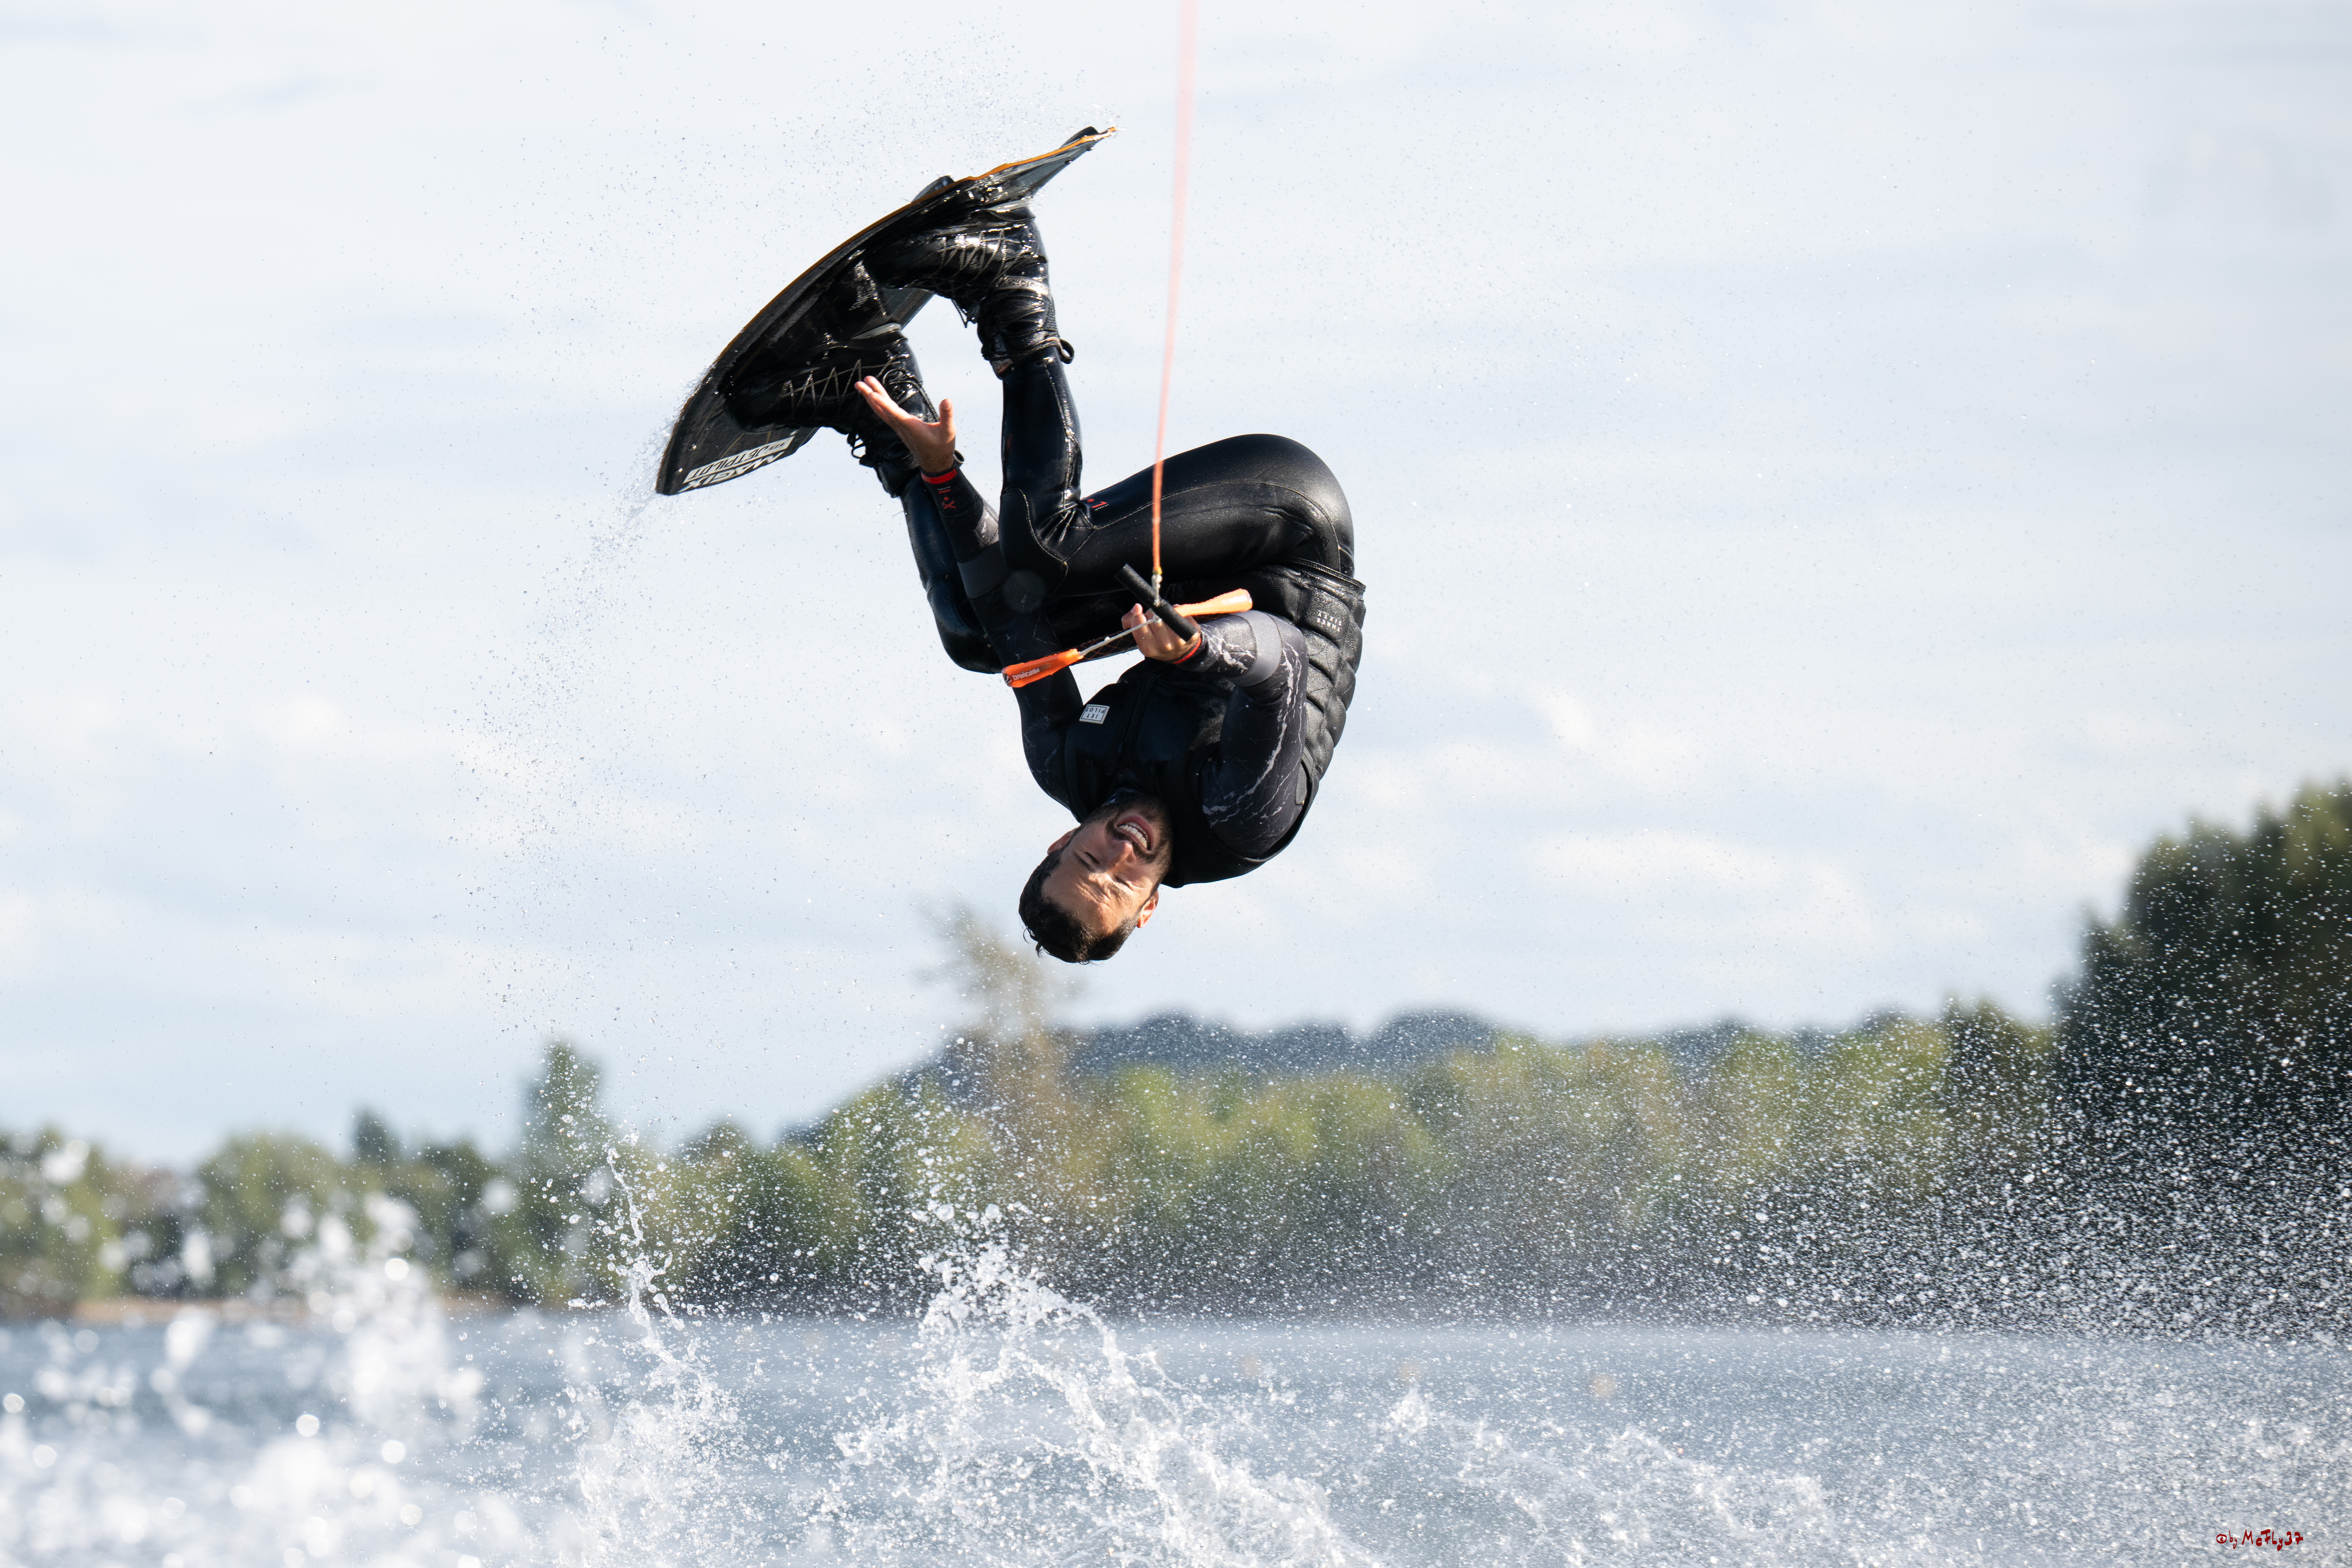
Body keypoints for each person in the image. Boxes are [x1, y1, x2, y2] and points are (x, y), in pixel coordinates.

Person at [782, 194, 1365, 962]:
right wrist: (1196, 652)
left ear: (1063, 838)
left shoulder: (1067, 763)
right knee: (1054, 545)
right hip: (1289, 531)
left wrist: (943, 475)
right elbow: (1279, 658)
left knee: (974, 632)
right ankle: (1009, 278)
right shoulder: (1238, 819)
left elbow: (1014, 623)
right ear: (1148, 908)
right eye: (1121, 882)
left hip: (1199, 577)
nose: (1120, 853)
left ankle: (867, 385)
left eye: (1090, 860)